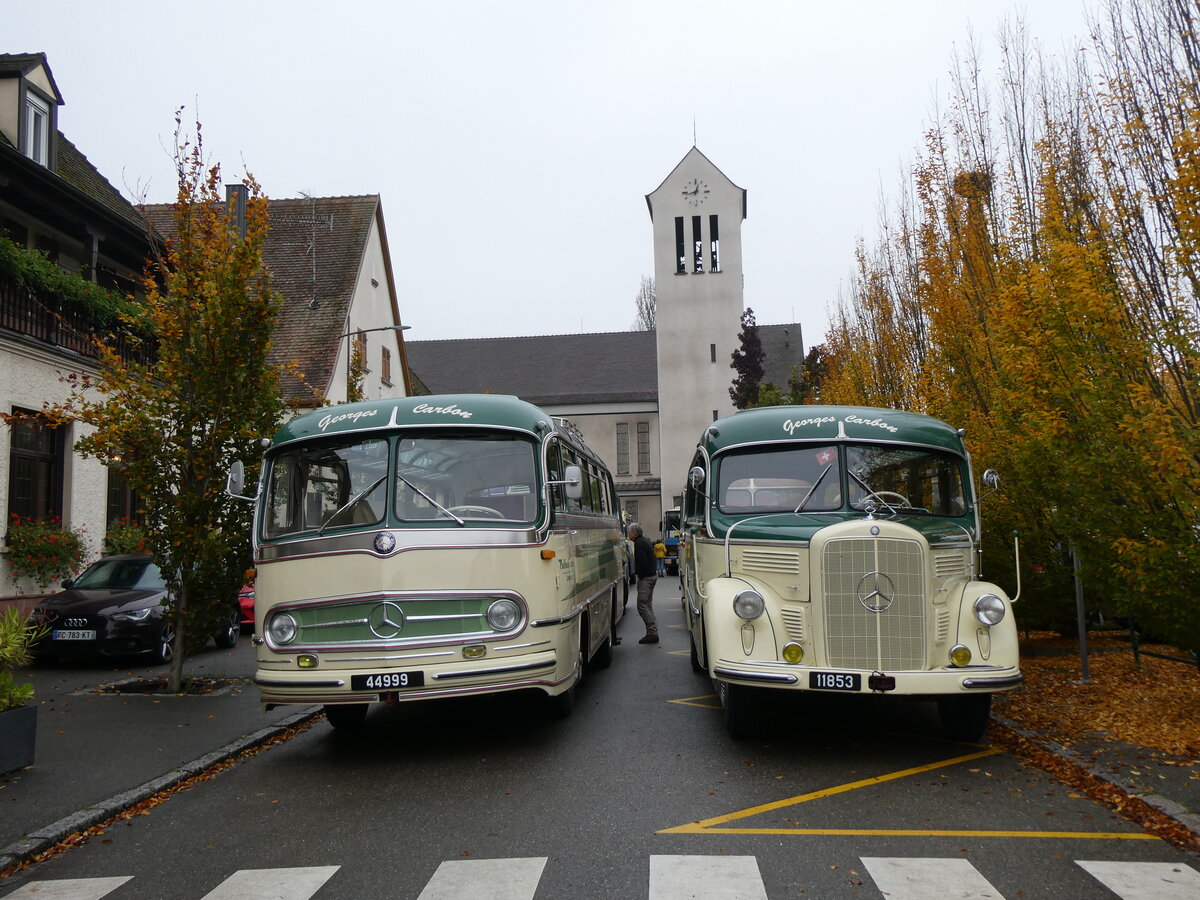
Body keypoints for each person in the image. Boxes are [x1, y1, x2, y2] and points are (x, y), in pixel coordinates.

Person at [628, 523, 658, 644]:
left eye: (629, 532)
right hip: (652, 576)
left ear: (635, 533)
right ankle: (653, 630)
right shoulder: (644, 541)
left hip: (646, 578)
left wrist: (638, 573)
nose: (628, 534)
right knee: (648, 605)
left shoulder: (639, 544)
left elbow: (643, 563)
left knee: (642, 605)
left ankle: (652, 631)